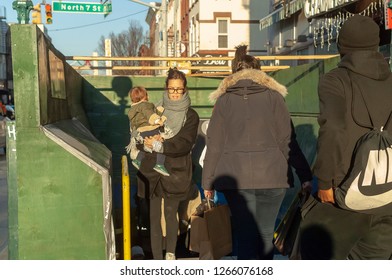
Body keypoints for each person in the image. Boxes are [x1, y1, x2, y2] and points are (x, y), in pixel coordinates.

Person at [202, 45, 312, 260]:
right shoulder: (274, 98)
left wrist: (208, 183)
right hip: (273, 177)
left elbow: (214, 143)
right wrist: (305, 176)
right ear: (260, 73)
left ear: (234, 74)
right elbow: (287, 140)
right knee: (264, 234)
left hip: (236, 179)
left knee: (244, 235)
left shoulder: (223, 101)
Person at [302, 15, 392, 259]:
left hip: (344, 194)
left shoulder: (335, 80)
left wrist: (324, 182)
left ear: (342, 45)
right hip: (387, 195)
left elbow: (333, 129)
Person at [136, 68, 199, 260]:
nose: (174, 93)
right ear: (166, 88)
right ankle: (156, 260)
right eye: (171, 89)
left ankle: (170, 254)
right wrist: (145, 142)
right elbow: (140, 134)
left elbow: (184, 143)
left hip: (176, 172)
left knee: (171, 216)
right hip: (153, 171)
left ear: (185, 89)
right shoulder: (155, 111)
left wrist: (159, 145)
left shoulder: (191, 115)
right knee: (154, 218)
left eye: (178, 89)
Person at [128, 86, 170, 176]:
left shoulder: (133, 109)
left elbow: (145, 117)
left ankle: (138, 160)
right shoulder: (145, 105)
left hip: (141, 131)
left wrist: (159, 111)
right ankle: (159, 164)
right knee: (160, 141)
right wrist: (158, 120)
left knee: (146, 145)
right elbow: (150, 115)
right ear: (145, 96)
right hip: (149, 128)